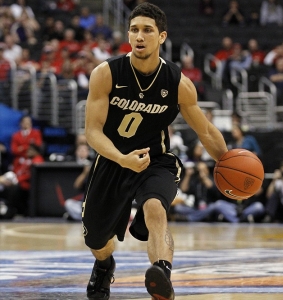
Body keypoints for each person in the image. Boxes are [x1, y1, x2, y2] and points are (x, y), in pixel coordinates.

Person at [83, 3, 228, 300]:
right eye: (134, 29)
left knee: (155, 208)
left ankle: (162, 274)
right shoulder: (106, 74)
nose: (139, 36)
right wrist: (122, 158)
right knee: (97, 240)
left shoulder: (178, 83)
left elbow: (206, 131)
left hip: (155, 160)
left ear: (161, 37)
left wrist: (226, 163)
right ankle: (104, 265)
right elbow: (92, 132)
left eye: (147, 30)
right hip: (113, 159)